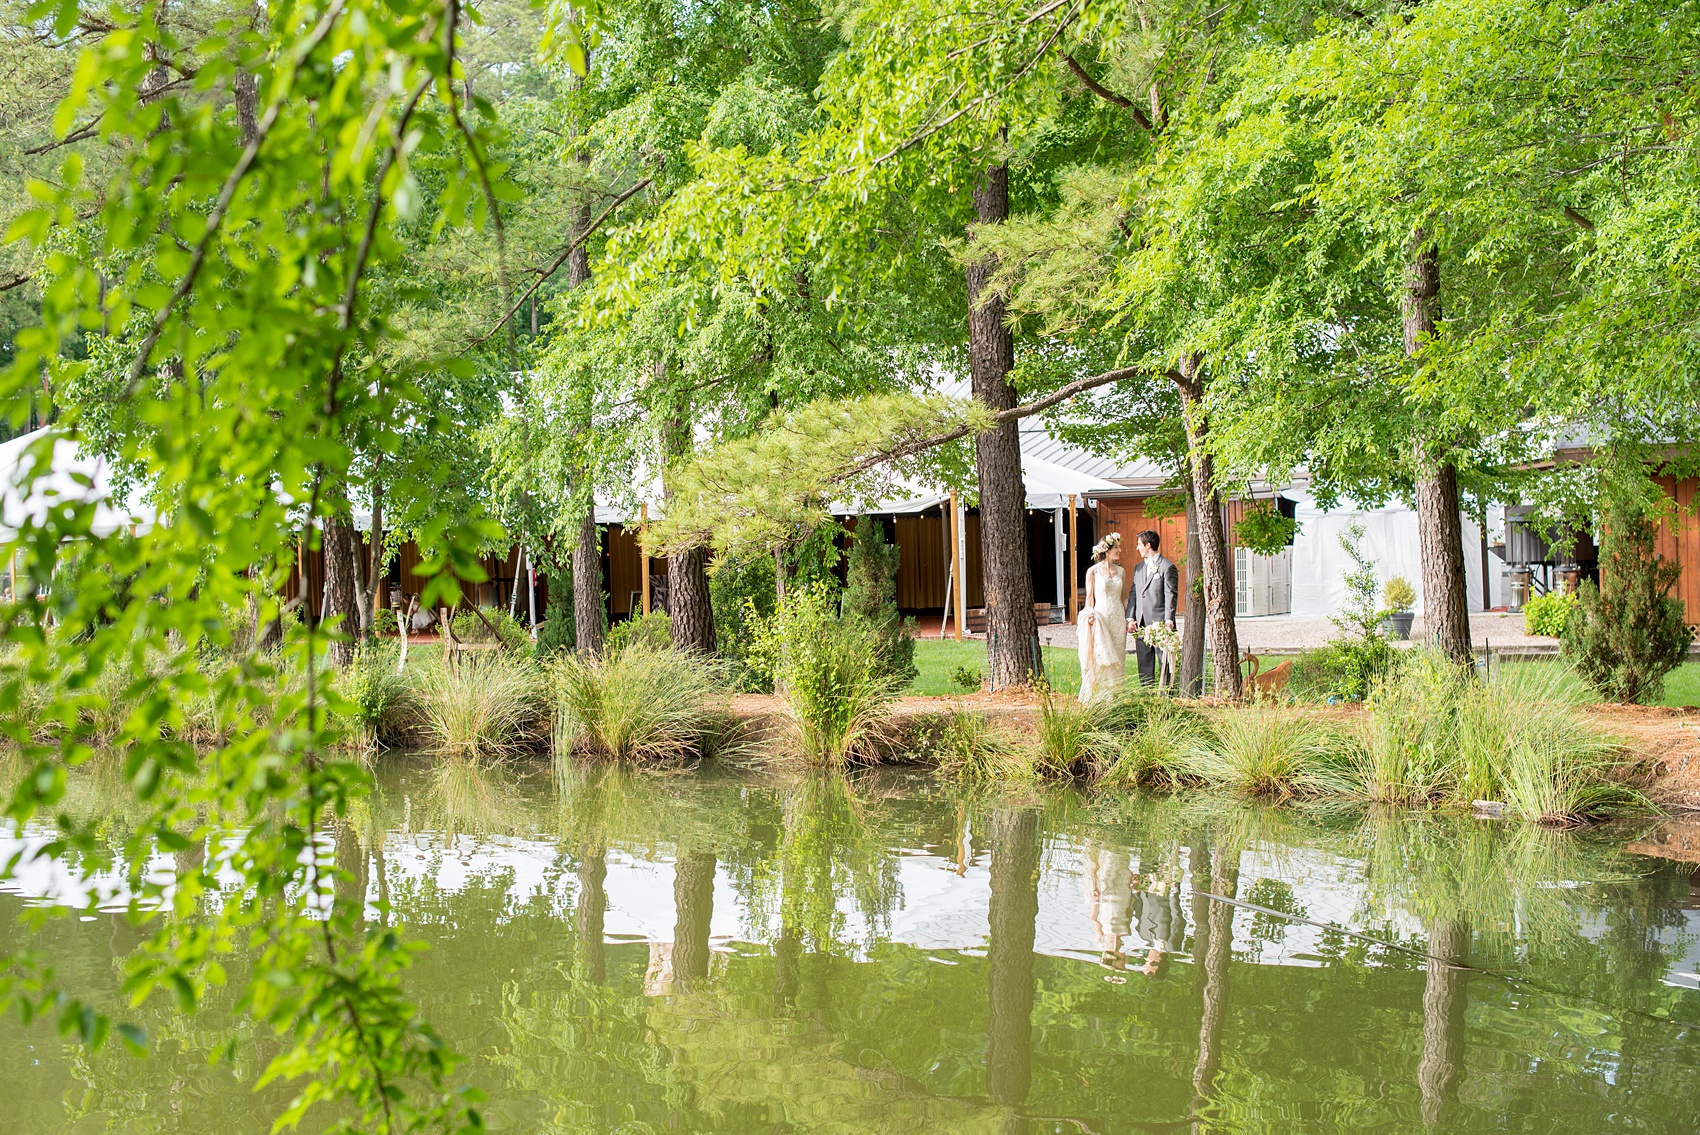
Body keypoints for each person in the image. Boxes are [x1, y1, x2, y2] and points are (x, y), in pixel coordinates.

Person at [1077, 532, 1128, 704]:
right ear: (1106, 550)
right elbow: (1090, 597)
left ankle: (1116, 697)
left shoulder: (1121, 571)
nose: (1119, 550)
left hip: (1118, 618)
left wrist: (1129, 618)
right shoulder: (1093, 572)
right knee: (1101, 655)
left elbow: (1124, 598)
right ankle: (1100, 698)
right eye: (1117, 548)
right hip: (1101, 617)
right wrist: (1090, 613)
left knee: (1118, 655)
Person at [1125, 529, 1178, 688]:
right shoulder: (1138, 568)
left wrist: (1168, 621)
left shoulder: (1167, 567)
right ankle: (1147, 697)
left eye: (1139, 544)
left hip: (1160, 625)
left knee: (1164, 665)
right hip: (1141, 625)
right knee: (1144, 665)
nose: (1137, 548)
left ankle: (1165, 699)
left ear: (1148, 545)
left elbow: (1171, 595)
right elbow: (1134, 593)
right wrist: (1130, 618)